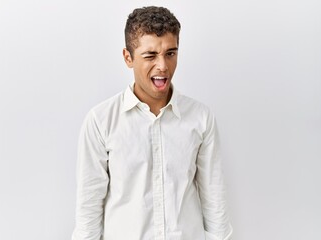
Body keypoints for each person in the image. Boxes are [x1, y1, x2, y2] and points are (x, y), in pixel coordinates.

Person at [72, 6, 233, 240]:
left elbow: (214, 201)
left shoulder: (200, 118)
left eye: (171, 53)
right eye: (150, 56)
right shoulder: (101, 121)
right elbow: (88, 211)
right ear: (128, 57)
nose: (163, 66)